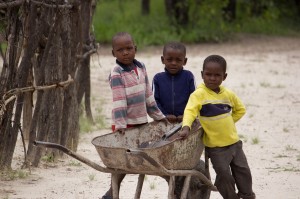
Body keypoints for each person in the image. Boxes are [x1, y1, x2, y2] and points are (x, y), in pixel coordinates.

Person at [179, 55, 256, 199]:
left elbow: (241, 109)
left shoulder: (228, 94)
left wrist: (227, 122)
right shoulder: (199, 95)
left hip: (234, 143)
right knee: (223, 174)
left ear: (224, 76)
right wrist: (186, 127)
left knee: (243, 170)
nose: (212, 78)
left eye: (217, 75)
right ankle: (231, 196)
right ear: (202, 75)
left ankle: (247, 195)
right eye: (208, 74)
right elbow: (190, 111)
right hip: (216, 147)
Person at [102, 32, 167, 199]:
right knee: (122, 162)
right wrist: (121, 125)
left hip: (141, 123)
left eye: (129, 48)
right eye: (120, 50)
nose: (125, 52)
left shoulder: (141, 67)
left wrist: (158, 116)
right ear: (113, 53)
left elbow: (148, 96)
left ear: (135, 49)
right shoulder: (116, 72)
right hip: (124, 125)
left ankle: (172, 183)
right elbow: (119, 101)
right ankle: (112, 192)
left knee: (145, 159)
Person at [152, 41, 196, 123]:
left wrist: (186, 115)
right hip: (163, 121)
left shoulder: (189, 76)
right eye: (169, 59)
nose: (174, 63)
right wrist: (164, 115)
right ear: (163, 60)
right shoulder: (157, 78)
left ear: (184, 61)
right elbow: (154, 101)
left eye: (178, 60)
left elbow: (194, 100)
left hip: (186, 121)